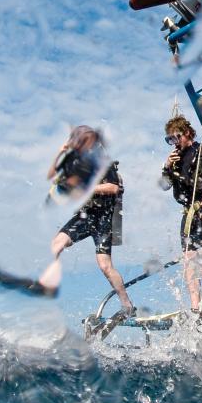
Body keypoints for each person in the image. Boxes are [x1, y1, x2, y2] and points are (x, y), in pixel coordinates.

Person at [37, 125, 135, 315]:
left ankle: (127, 305)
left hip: (103, 219)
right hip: (84, 216)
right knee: (55, 245)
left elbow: (114, 188)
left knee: (105, 266)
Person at [161, 114, 202, 311]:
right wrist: (167, 166)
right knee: (188, 258)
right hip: (187, 213)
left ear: (187, 134)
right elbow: (164, 186)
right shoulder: (175, 160)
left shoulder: (201, 151)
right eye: (169, 140)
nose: (173, 143)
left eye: (175, 138)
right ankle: (195, 303)